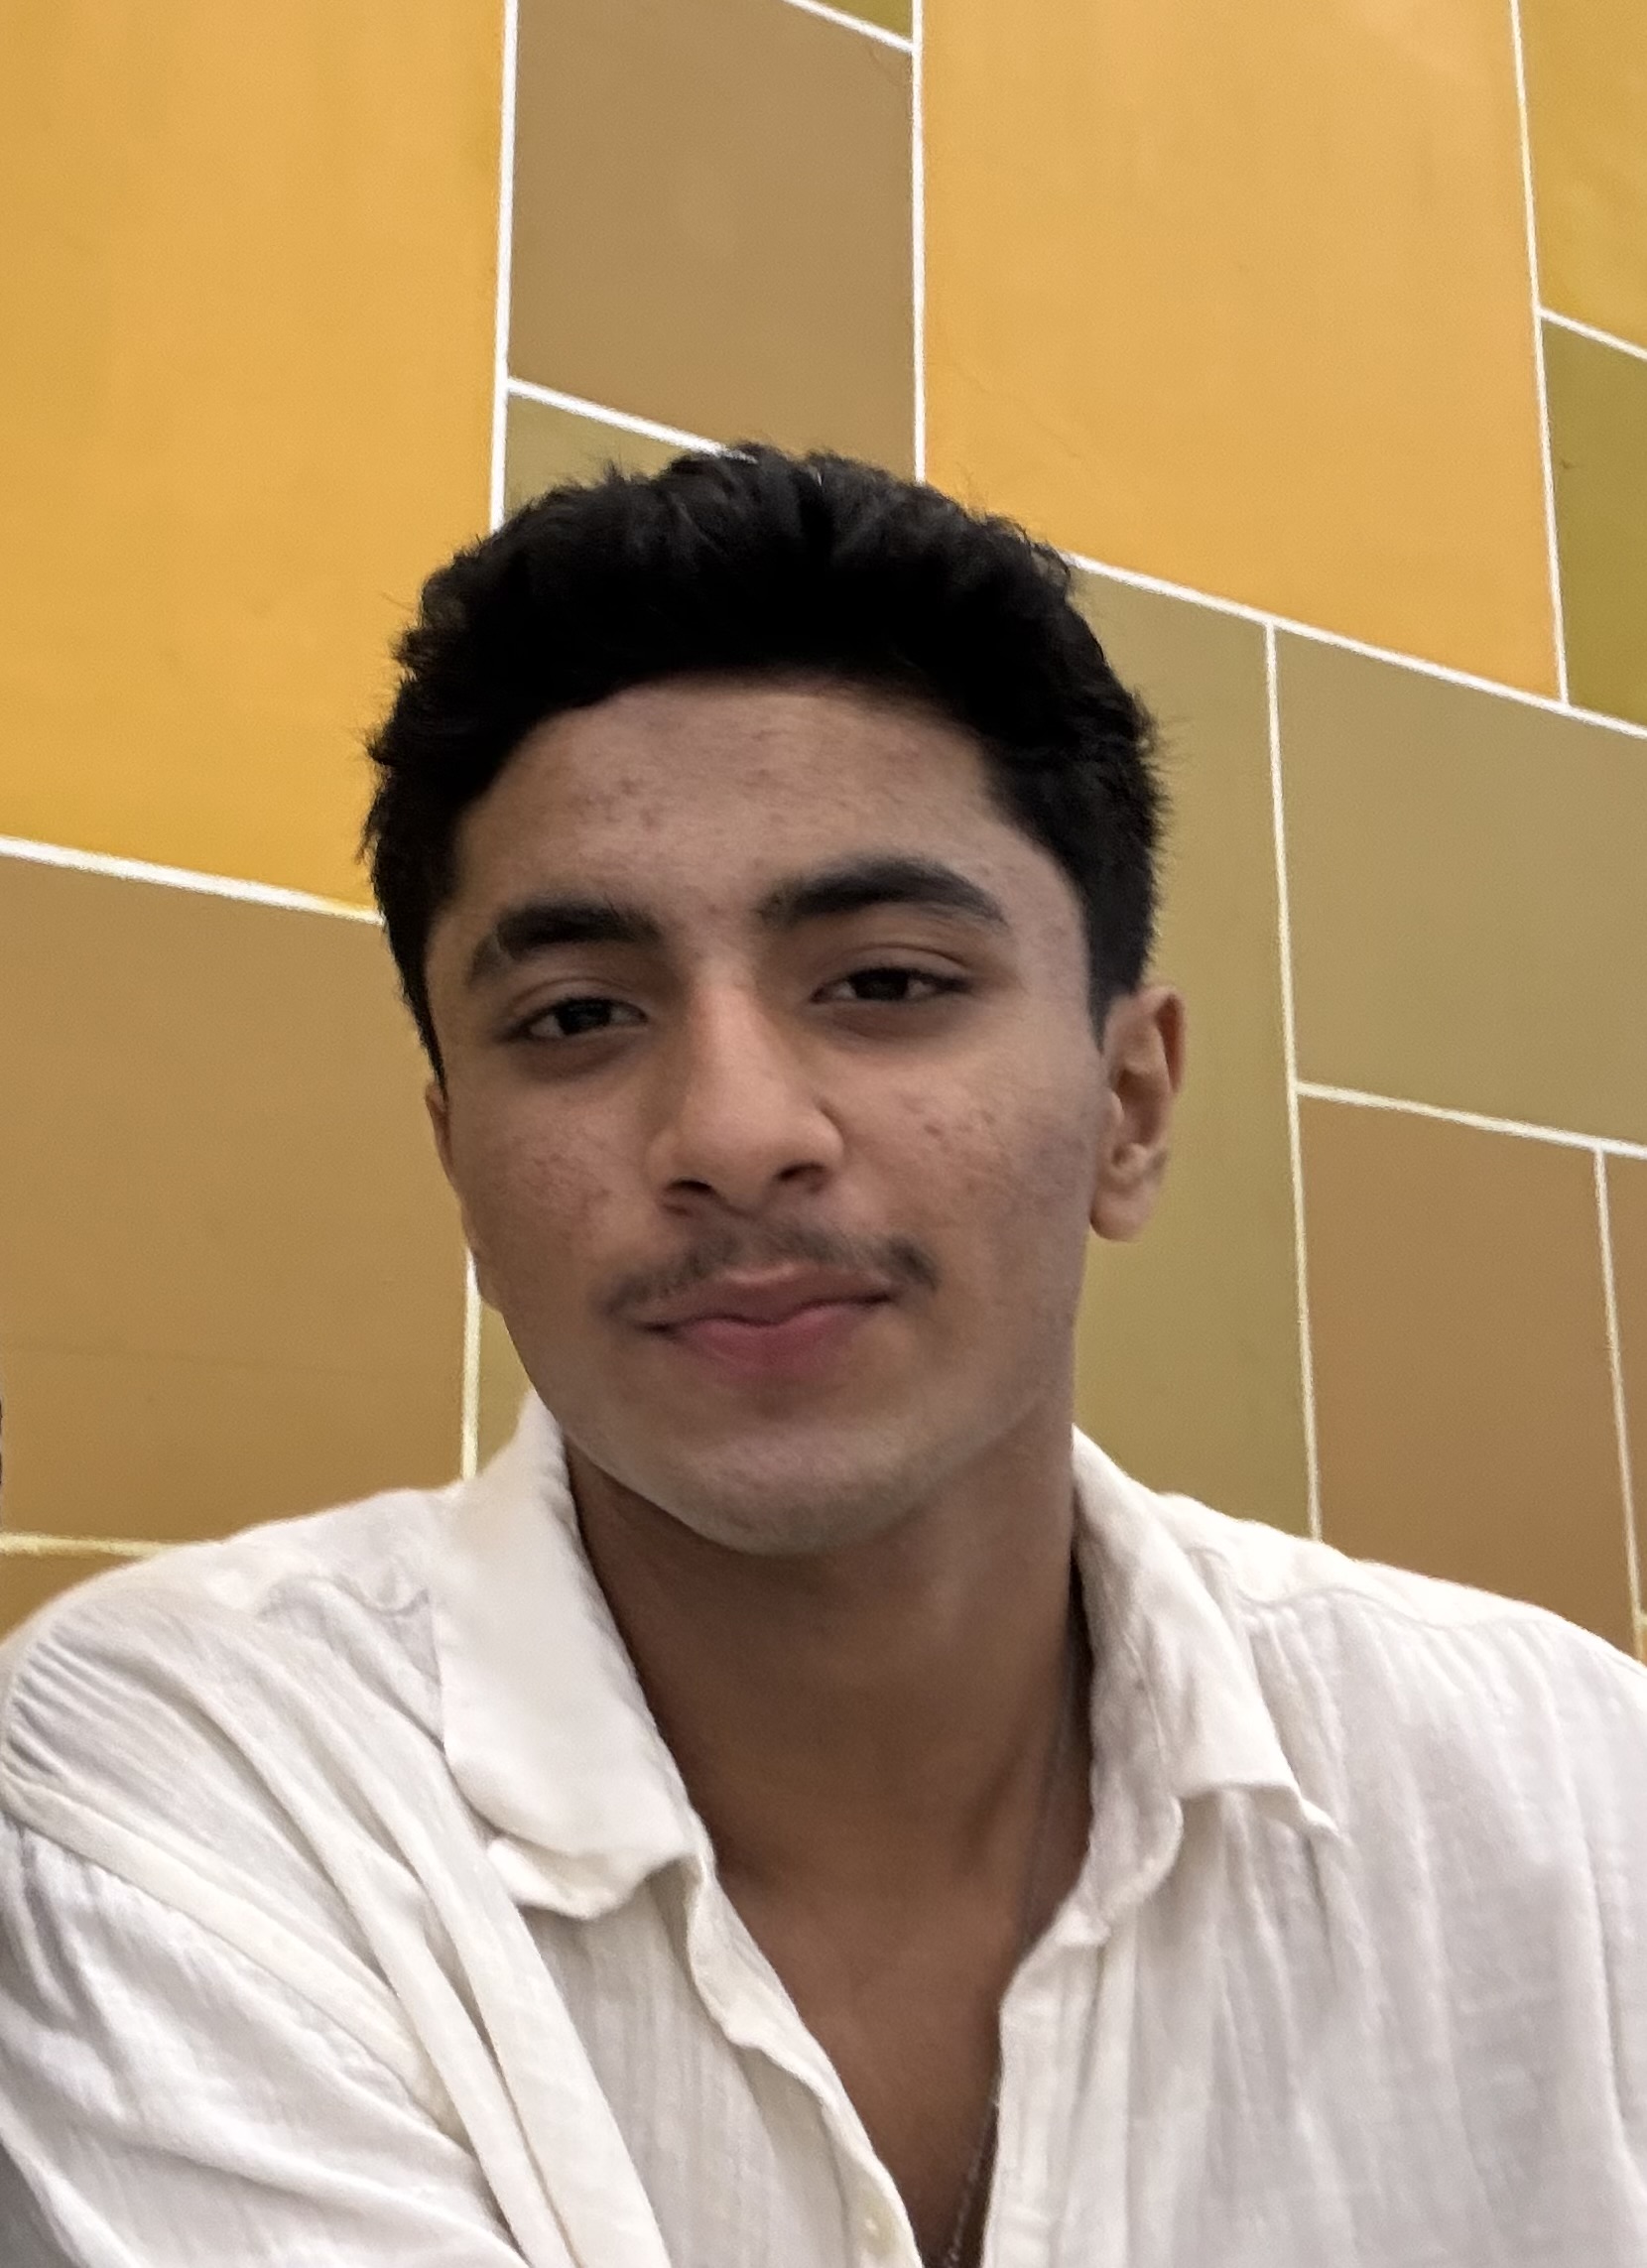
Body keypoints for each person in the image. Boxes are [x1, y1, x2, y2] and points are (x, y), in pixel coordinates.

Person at [0, 447, 1643, 2268]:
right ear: (459, 1159)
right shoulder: (190, 1785)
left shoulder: (1570, 1791)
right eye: (577, 1013)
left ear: (1129, 1101)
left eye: (885, 982)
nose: (733, 1130)